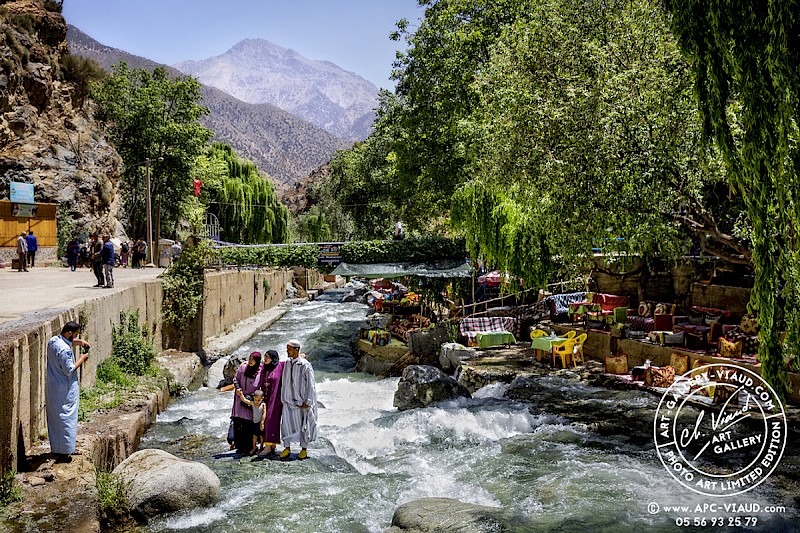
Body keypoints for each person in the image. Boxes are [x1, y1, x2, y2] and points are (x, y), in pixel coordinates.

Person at [46, 321, 91, 461]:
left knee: (56, 418)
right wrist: (82, 359)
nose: (75, 338)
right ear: (69, 332)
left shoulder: (53, 341)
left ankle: (60, 448)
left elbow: (66, 343)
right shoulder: (65, 351)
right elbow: (69, 369)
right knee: (67, 417)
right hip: (64, 388)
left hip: (53, 386)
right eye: (75, 335)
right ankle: (65, 452)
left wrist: (80, 342)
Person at [279, 340, 317, 460]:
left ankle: (304, 449)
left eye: (289, 349)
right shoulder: (287, 363)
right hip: (288, 400)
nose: (287, 351)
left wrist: (308, 401)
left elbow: (311, 384)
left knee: (304, 426)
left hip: (302, 402)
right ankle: (287, 447)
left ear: (296, 350)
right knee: (286, 425)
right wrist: (283, 397)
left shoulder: (305, 365)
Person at [230, 351, 264, 454]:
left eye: (253, 359)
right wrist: (238, 389)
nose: (250, 361)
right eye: (250, 358)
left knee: (249, 422)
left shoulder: (261, 371)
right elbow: (235, 380)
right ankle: (239, 446)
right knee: (239, 421)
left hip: (251, 400)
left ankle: (250, 446)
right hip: (240, 398)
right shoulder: (243, 368)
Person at [259, 349, 284, 456]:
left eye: (268, 357)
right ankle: (272, 444)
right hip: (264, 399)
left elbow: (292, 363)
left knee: (270, 419)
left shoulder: (281, 366)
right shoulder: (263, 367)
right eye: (265, 356)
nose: (265, 358)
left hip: (275, 399)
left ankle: (268, 445)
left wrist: (300, 356)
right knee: (263, 420)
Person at [237, 389, 266, 455]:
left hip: (260, 423)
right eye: (255, 400)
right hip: (254, 423)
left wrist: (262, 422)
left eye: (258, 400)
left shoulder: (263, 404)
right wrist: (241, 394)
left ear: (262, 398)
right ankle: (254, 447)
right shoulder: (253, 403)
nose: (257, 402)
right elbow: (244, 400)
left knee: (261, 436)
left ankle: (261, 447)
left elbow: (264, 413)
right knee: (254, 436)